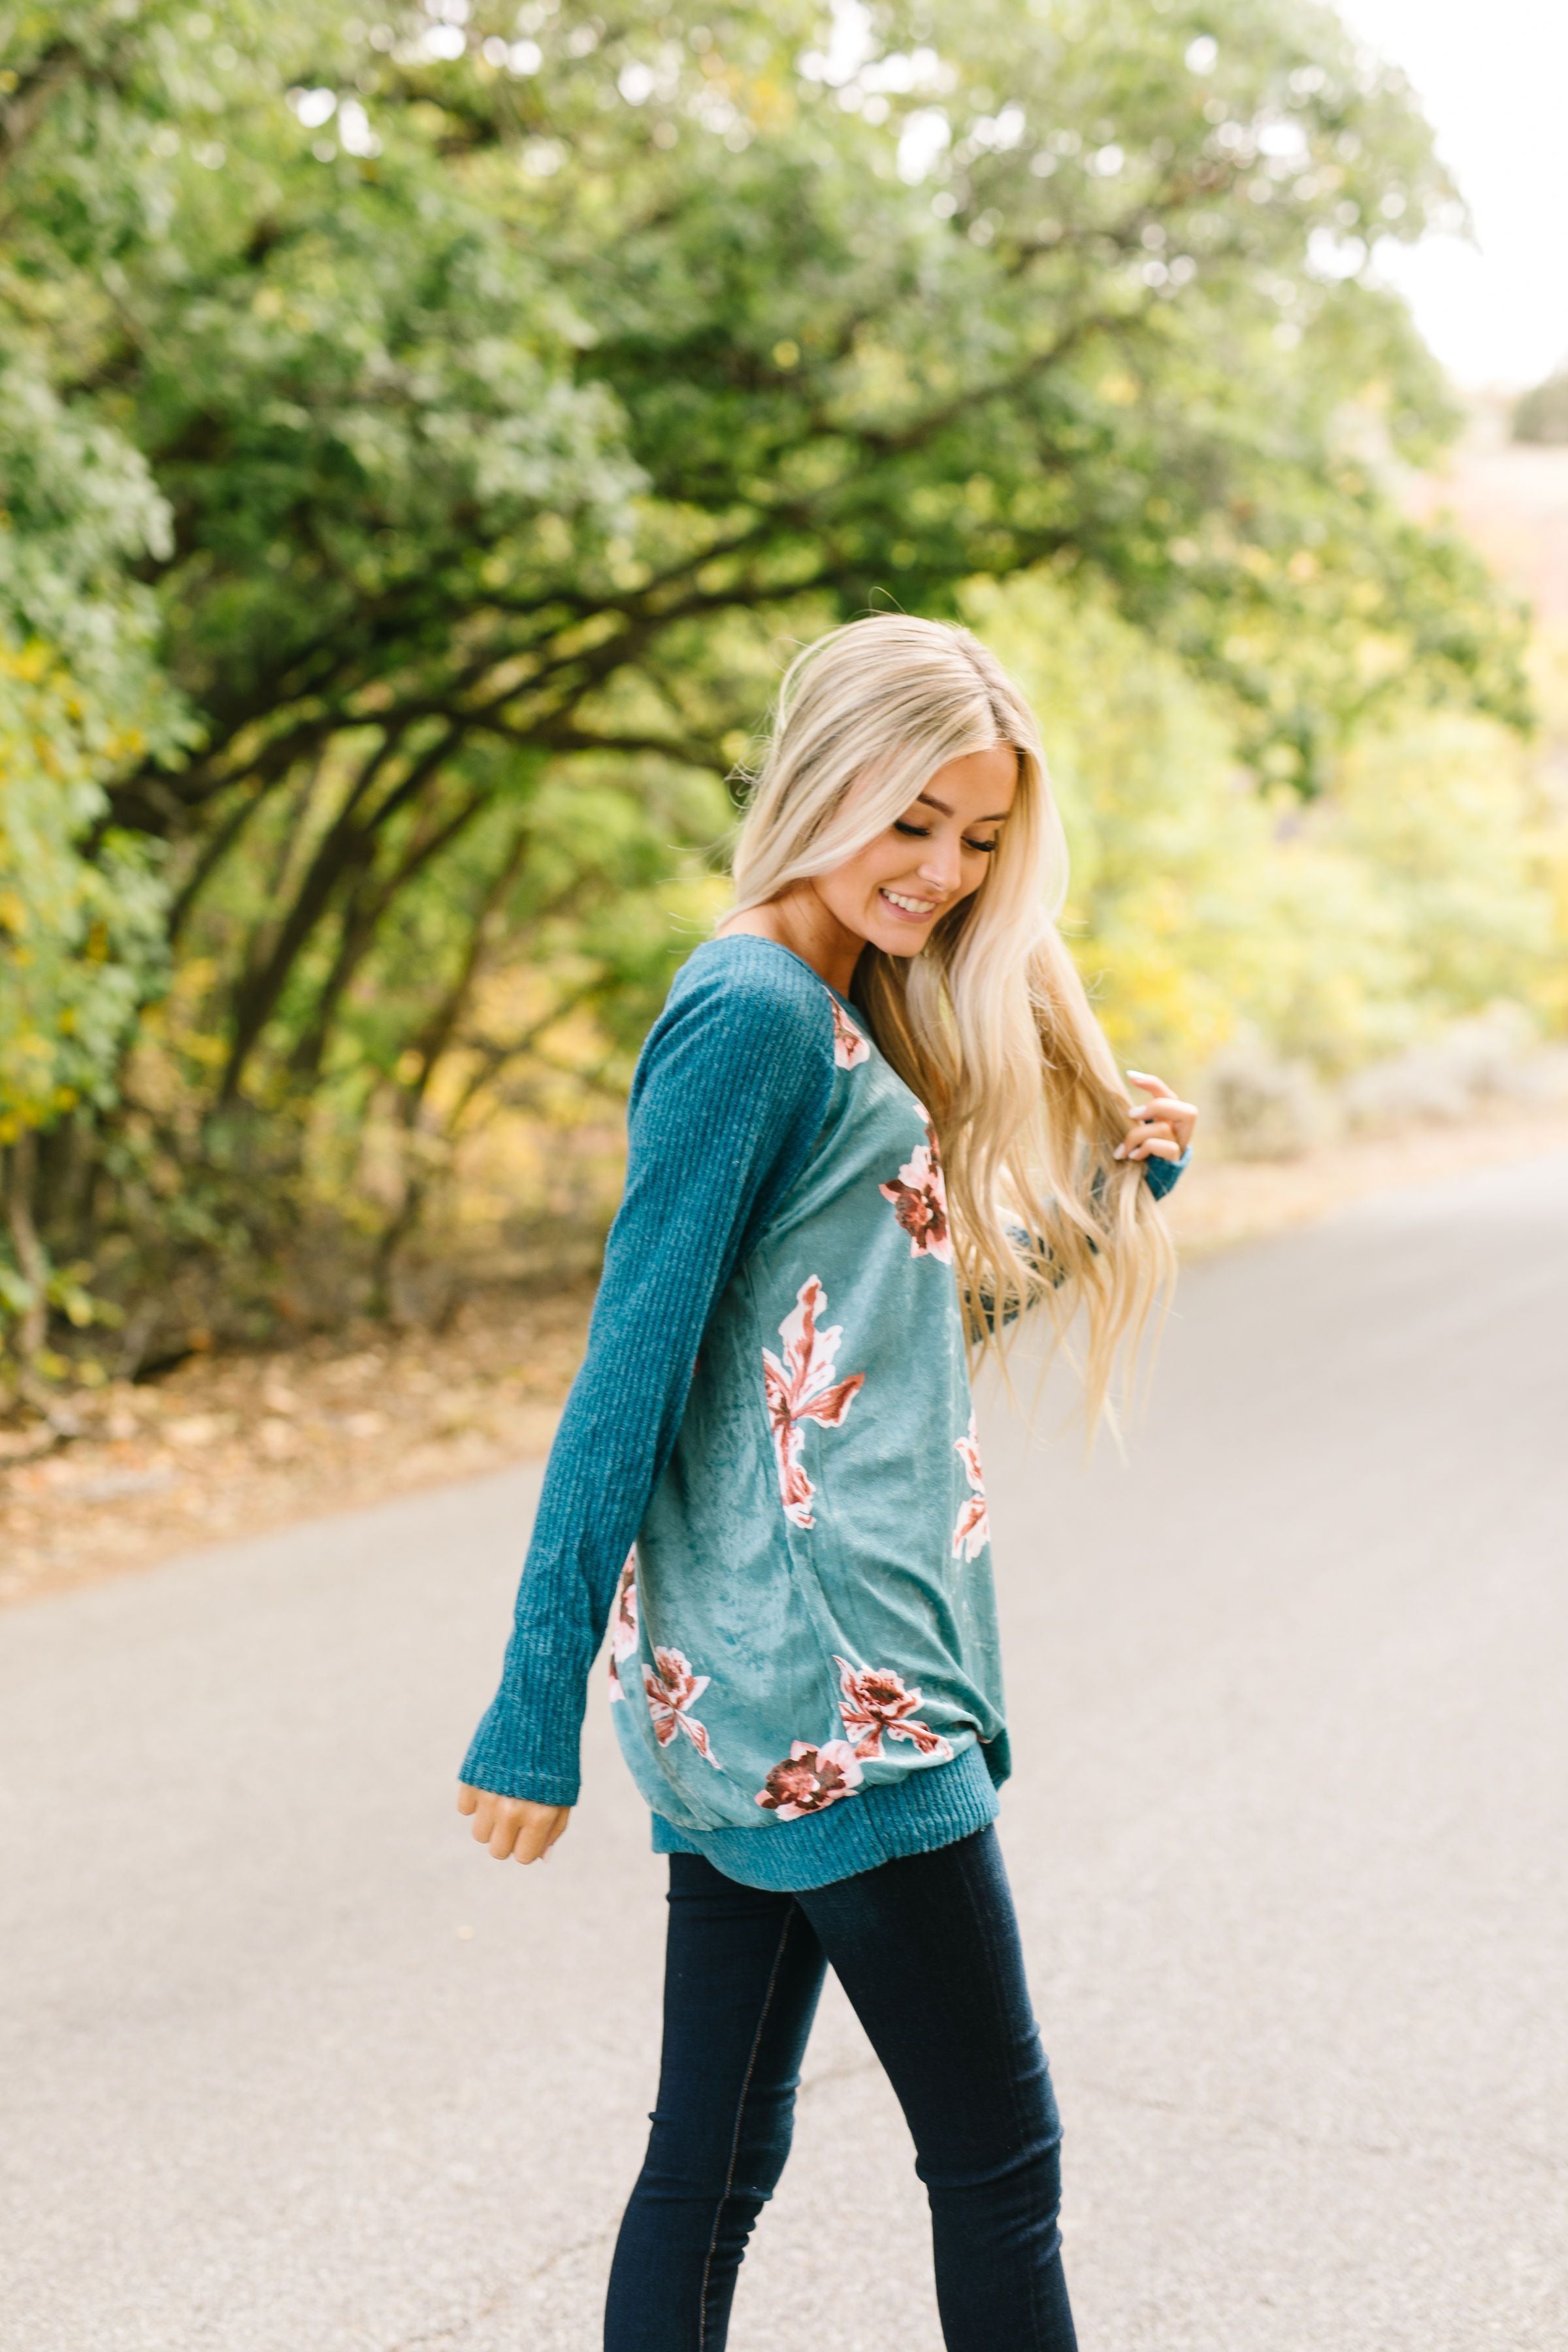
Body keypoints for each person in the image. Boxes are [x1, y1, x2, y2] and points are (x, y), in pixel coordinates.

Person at [457, 614, 1198, 2351]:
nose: (943, 872)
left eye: (981, 841)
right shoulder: (755, 1017)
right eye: (914, 820)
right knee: (999, 2165)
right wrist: (524, 1705)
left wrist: (1112, 1209)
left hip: (761, 1684)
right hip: (845, 1693)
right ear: (822, 782)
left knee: (712, 2164)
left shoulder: (826, 1011)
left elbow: (885, 1346)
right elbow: (625, 1375)